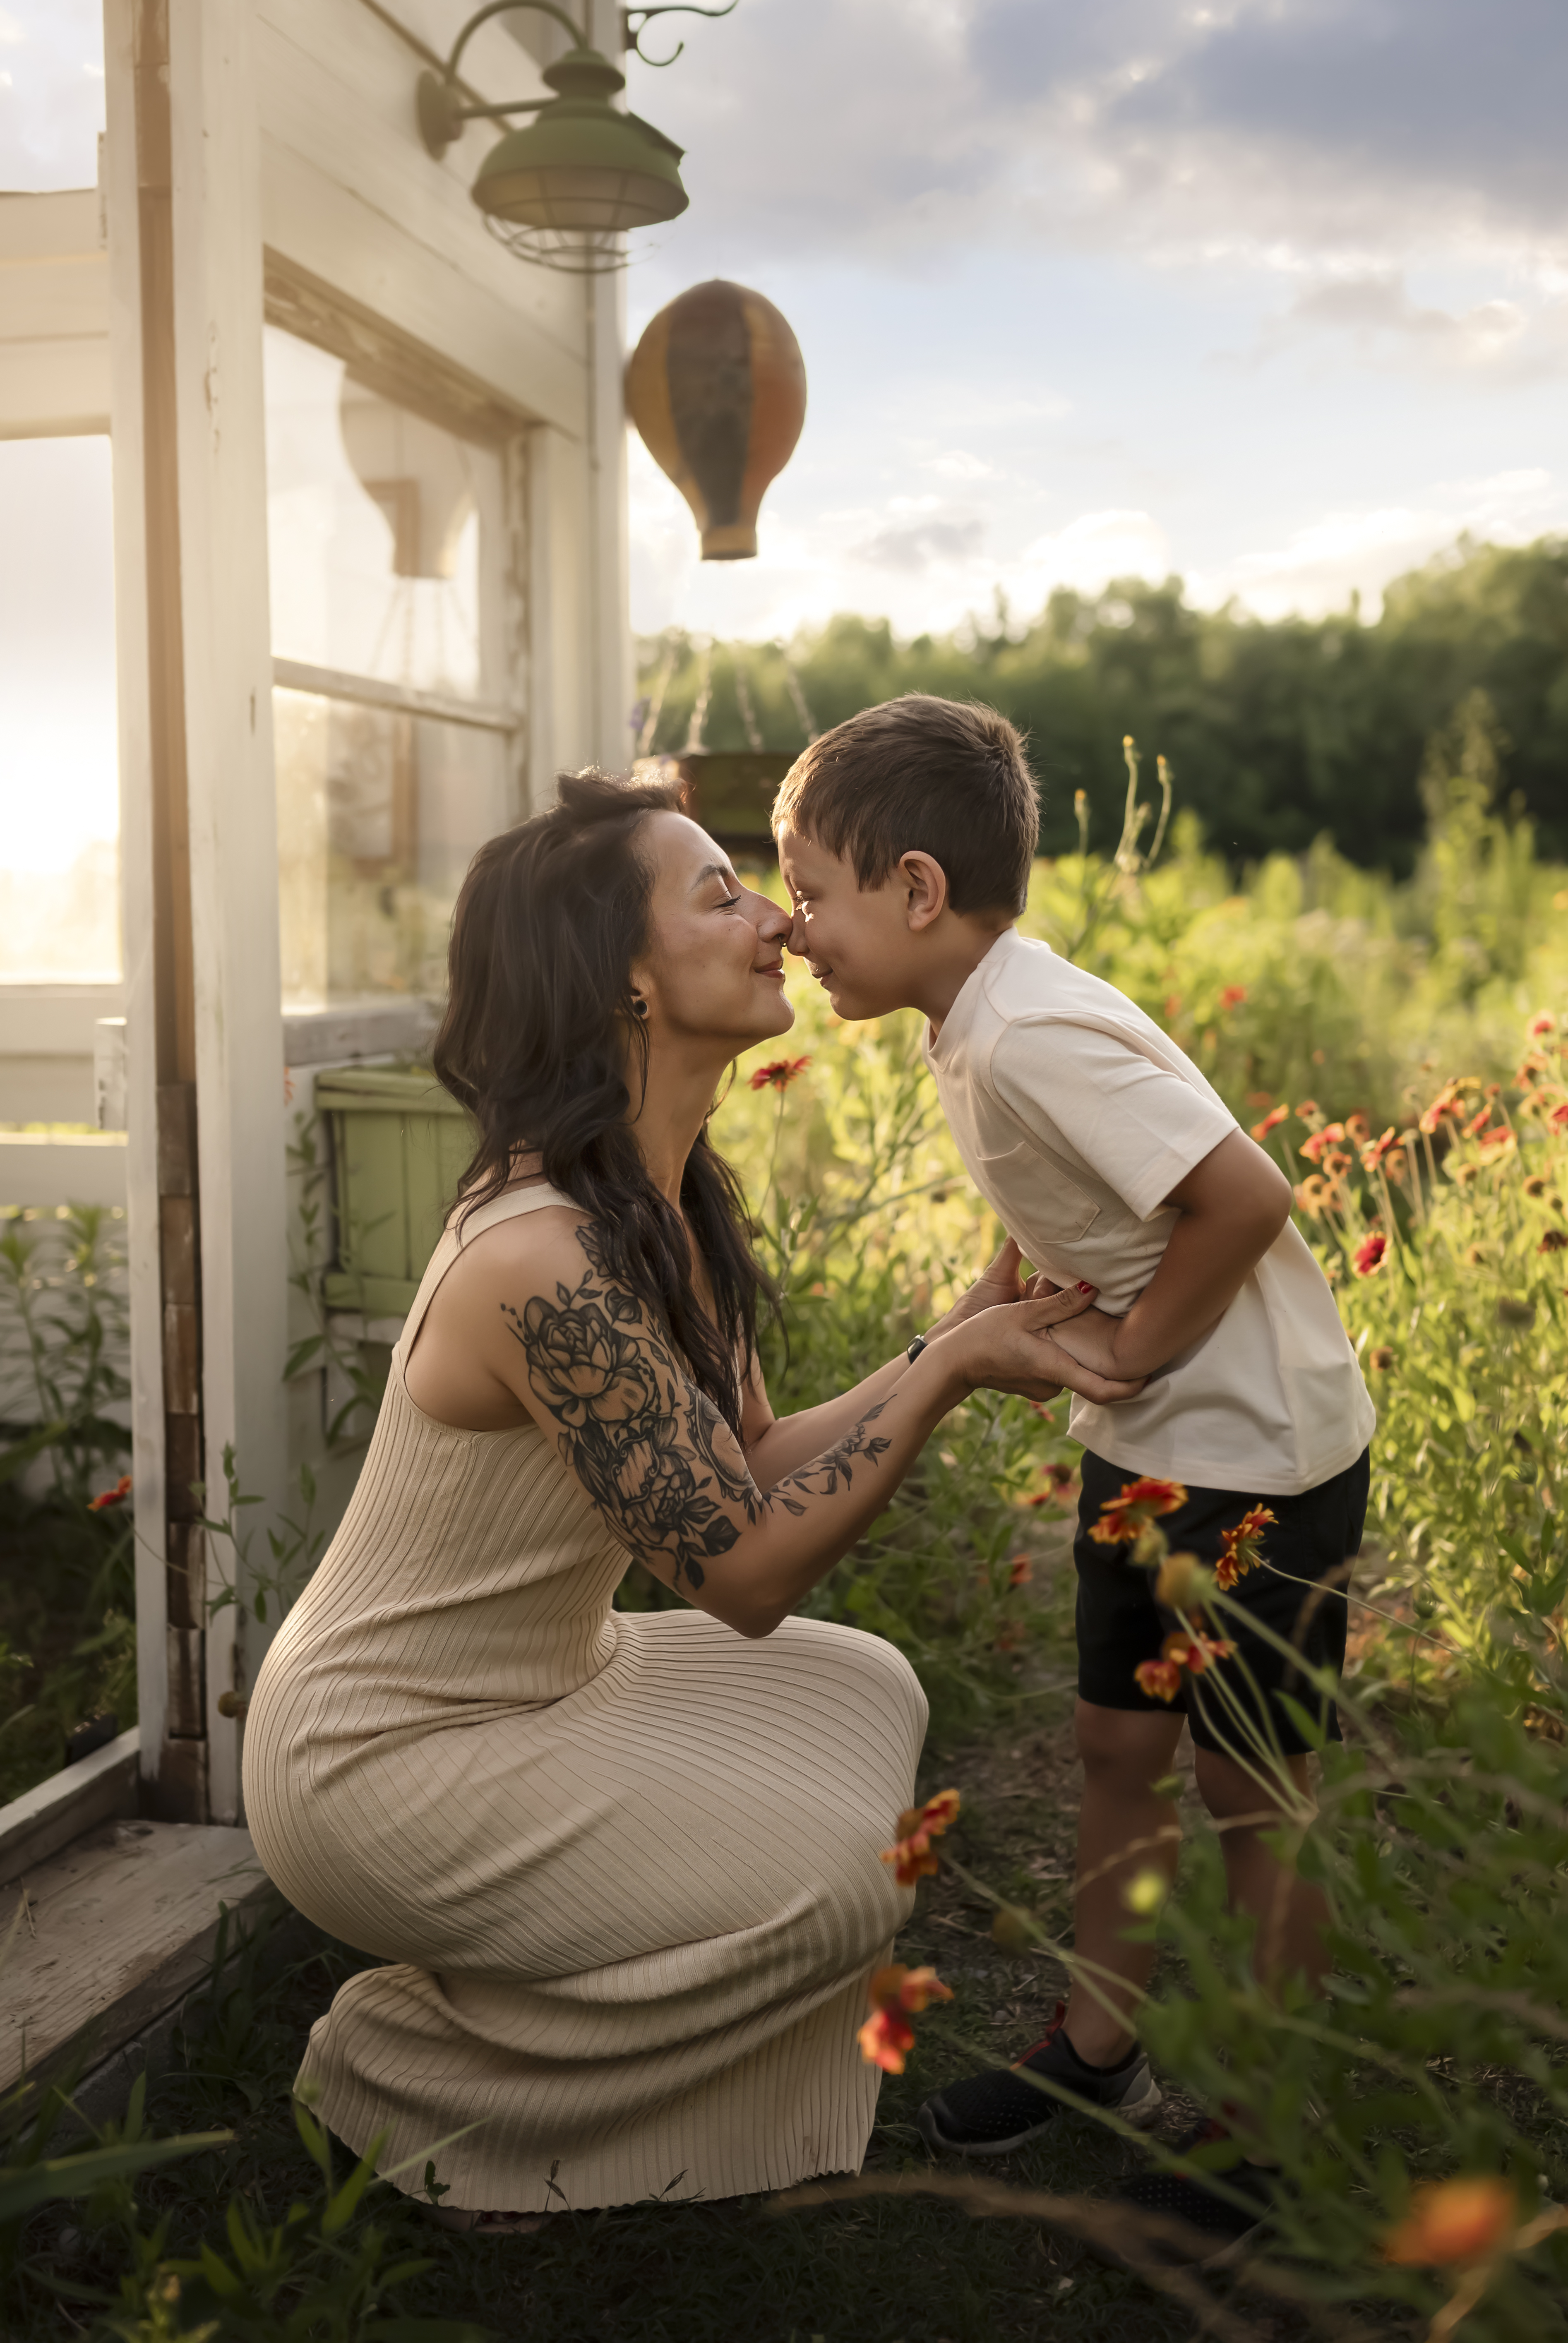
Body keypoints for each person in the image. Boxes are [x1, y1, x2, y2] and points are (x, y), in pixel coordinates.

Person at [244, 771, 1141, 2229]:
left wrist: (950, 1344)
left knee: (866, 1691)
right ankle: (409, 2070)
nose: (781, 918)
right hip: (381, 1755)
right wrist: (953, 1368)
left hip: (543, 1685)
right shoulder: (543, 1256)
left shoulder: (659, 1198)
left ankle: (551, 1999)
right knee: (849, 1886)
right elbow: (740, 1574)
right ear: (624, 982)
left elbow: (745, 1467)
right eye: (720, 894)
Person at [773, 696, 1375, 2259]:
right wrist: (998, 1297)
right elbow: (1074, 1186)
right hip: (1160, 1447)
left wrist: (1124, 1353)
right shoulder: (975, 1023)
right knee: (1118, 1743)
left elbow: (1243, 1195)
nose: (791, 923)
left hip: (1259, 1454)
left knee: (1253, 1792)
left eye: (808, 886)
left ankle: (1274, 2112)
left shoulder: (1031, 1026)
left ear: (914, 891)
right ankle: (1102, 2038)